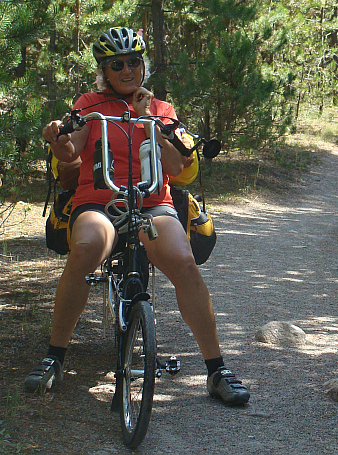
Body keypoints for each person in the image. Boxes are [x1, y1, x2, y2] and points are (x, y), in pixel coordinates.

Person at [25, 26, 249, 406]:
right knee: (86, 250)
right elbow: (69, 155)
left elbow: (178, 164)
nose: (127, 70)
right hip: (98, 201)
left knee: (184, 263)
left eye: (133, 62)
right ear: (105, 71)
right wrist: (56, 136)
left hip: (152, 202)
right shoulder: (89, 103)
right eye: (117, 65)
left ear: (142, 65)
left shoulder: (160, 108)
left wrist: (151, 124)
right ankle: (54, 358)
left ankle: (216, 370)